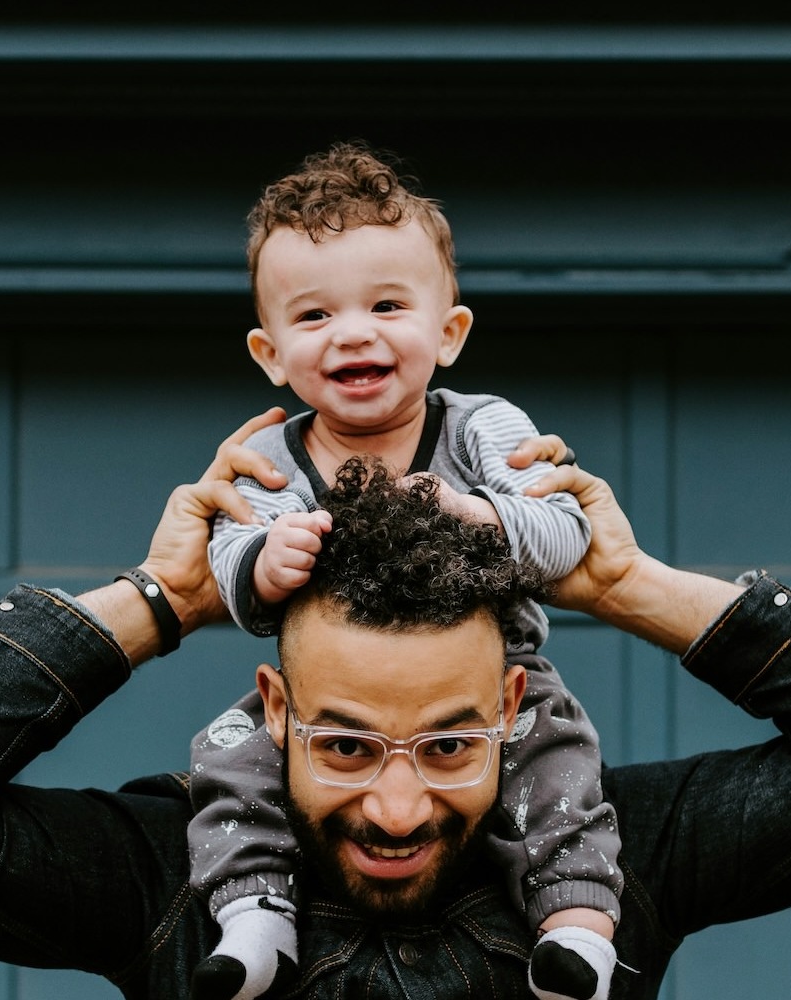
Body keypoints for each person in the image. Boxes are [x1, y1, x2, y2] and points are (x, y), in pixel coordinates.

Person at [0, 409, 791, 999]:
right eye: (349, 744)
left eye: (452, 742)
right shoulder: (169, 878)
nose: (400, 802)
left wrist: (629, 586)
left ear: (516, 702)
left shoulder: (617, 860)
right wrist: (163, 598)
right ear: (274, 708)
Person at [193, 141, 618, 1000]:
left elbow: (565, 531)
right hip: (325, 691)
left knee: (560, 766)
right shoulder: (269, 455)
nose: (353, 332)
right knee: (228, 759)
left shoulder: (481, 430)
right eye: (313, 318)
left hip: (500, 672)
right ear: (271, 354)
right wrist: (264, 563)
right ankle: (254, 916)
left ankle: (576, 929)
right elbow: (229, 557)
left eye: (387, 305)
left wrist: (485, 514)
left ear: (449, 332)